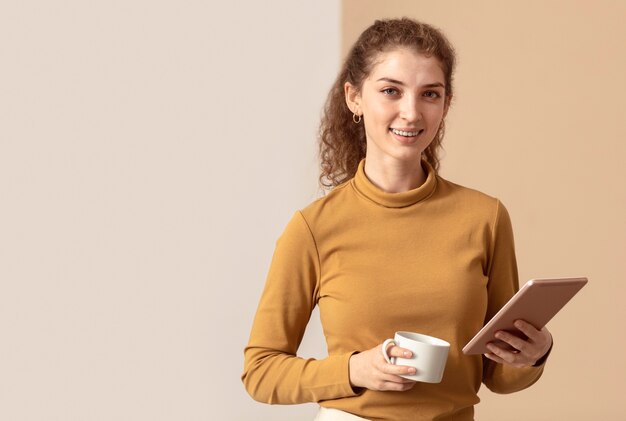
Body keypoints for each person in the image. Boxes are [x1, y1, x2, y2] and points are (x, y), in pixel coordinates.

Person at [241, 17, 553, 421]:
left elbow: (499, 375)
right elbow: (261, 372)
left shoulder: (485, 218)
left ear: (446, 104)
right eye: (391, 91)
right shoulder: (314, 228)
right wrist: (356, 369)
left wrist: (534, 354)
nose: (411, 112)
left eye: (430, 94)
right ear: (354, 97)